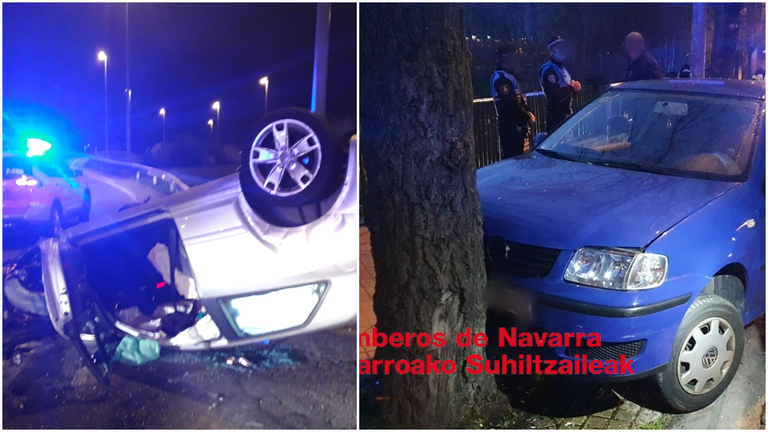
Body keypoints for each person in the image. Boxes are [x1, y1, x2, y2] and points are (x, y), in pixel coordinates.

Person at [490, 43, 535, 159]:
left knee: (522, 155)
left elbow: (518, 99)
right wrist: (526, 115)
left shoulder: (510, 76)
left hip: (518, 125)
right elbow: (510, 104)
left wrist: (527, 111)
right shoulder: (501, 78)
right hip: (510, 126)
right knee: (513, 157)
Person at [539, 36, 581, 133]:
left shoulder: (563, 69)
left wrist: (575, 89)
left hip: (566, 115)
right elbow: (554, 94)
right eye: (557, 47)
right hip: (555, 117)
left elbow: (567, 93)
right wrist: (571, 88)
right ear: (550, 51)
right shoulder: (548, 69)